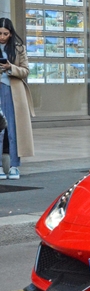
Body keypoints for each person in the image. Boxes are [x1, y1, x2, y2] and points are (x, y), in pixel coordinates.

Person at [0, 17, 35, 180]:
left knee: (13, 130)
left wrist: (9, 68)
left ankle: (14, 166)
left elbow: (25, 70)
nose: (2, 37)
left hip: (14, 93)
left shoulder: (19, 48)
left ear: (11, 33)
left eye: (5, 33)